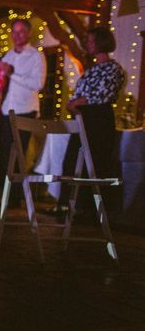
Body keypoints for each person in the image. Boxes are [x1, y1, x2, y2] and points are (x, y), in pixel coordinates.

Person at [59, 25, 126, 219]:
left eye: (91, 40)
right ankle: (70, 205)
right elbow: (80, 93)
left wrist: (79, 102)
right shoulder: (91, 70)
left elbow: (102, 95)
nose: (88, 44)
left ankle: (92, 210)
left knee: (95, 161)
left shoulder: (114, 68)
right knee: (73, 160)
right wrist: (74, 104)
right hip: (83, 118)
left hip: (99, 119)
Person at [0, 18, 43, 201]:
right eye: (14, 31)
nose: (17, 35)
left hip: (25, 110)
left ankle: (14, 199)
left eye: (21, 31)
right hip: (6, 110)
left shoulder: (35, 55)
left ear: (28, 33)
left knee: (19, 155)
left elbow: (38, 83)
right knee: (3, 153)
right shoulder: (7, 56)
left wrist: (13, 73)